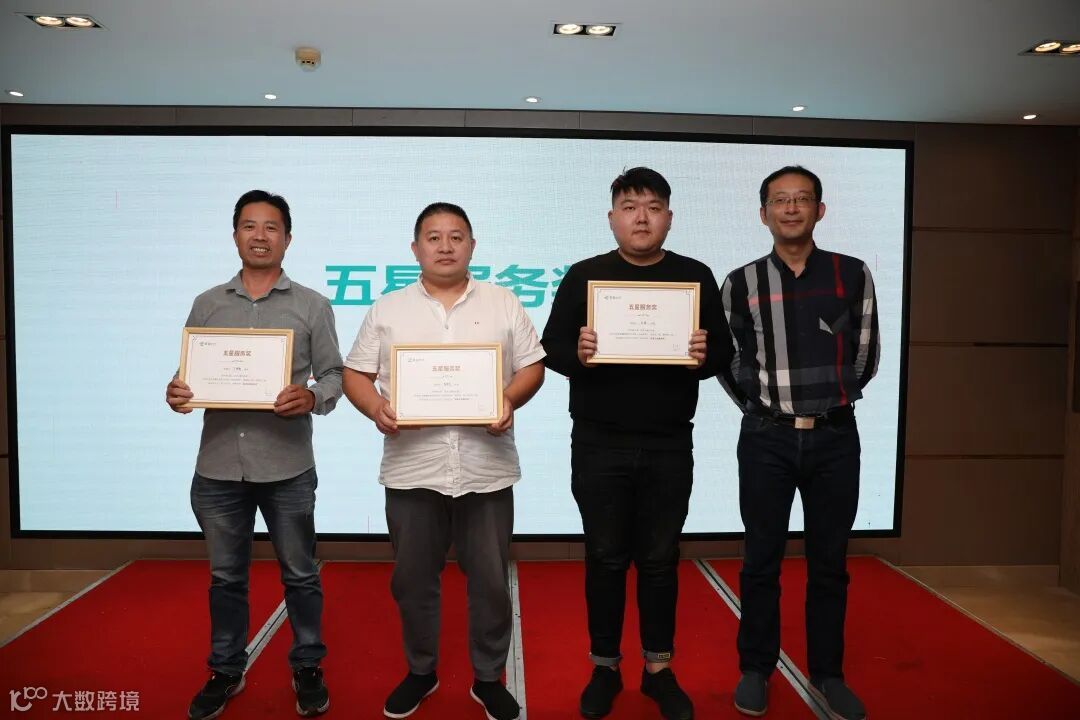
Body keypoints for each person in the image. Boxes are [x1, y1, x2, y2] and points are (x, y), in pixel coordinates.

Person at [342, 202, 545, 720]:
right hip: (412, 469)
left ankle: (488, 677)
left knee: (491, 583)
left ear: (472, 245)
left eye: (457, 236)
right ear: (415, 249)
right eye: (434, 237)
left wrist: (508, 400)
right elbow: (355, 374)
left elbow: (533, 367)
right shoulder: (388, 309)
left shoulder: (503, 302)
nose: (446, 246)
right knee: (413, 581)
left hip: (486, 469)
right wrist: (376, 408)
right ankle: (421, 671)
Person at [541, 167, 730, 720]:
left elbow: (724, 354)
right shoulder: (585, 276)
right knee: (604, 557)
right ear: (612, 218)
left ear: (669, 217)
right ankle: (604, 666)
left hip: (670, 442)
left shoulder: (694, 275)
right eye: (629, 206)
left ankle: (658, 669)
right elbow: (552, 348)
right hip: (598, 443)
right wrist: (579, 351)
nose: (641, 217)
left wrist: (702, 354)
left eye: (652, 207)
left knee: (659, 560)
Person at [166, 189, 342, 720]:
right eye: (249, 226)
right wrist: (177, 391)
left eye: (271, 227)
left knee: (300, 574)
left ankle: (307, 665)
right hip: (218, 466)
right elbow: (191, 374)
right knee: (226, 577)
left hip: (287, 466)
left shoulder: (312, 305)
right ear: (235, 235)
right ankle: (225, 669)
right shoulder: (207, 303)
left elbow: (334, 374)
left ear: (288, 238)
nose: (260, 236)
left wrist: (312, 397)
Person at [720, 166, 879, 720]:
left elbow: (865, 355)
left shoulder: (851, 274)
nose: (791, 209)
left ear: (820, 210)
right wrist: (765, 407)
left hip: (836, 436)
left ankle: (828, 673)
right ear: (763, 213)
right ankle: (756, 669)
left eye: (802, 199)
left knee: (829, 562)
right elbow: (731, 360)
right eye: (780, 201)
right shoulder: (740, 282)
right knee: (761, 559)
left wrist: (830, 399)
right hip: (766, 438)